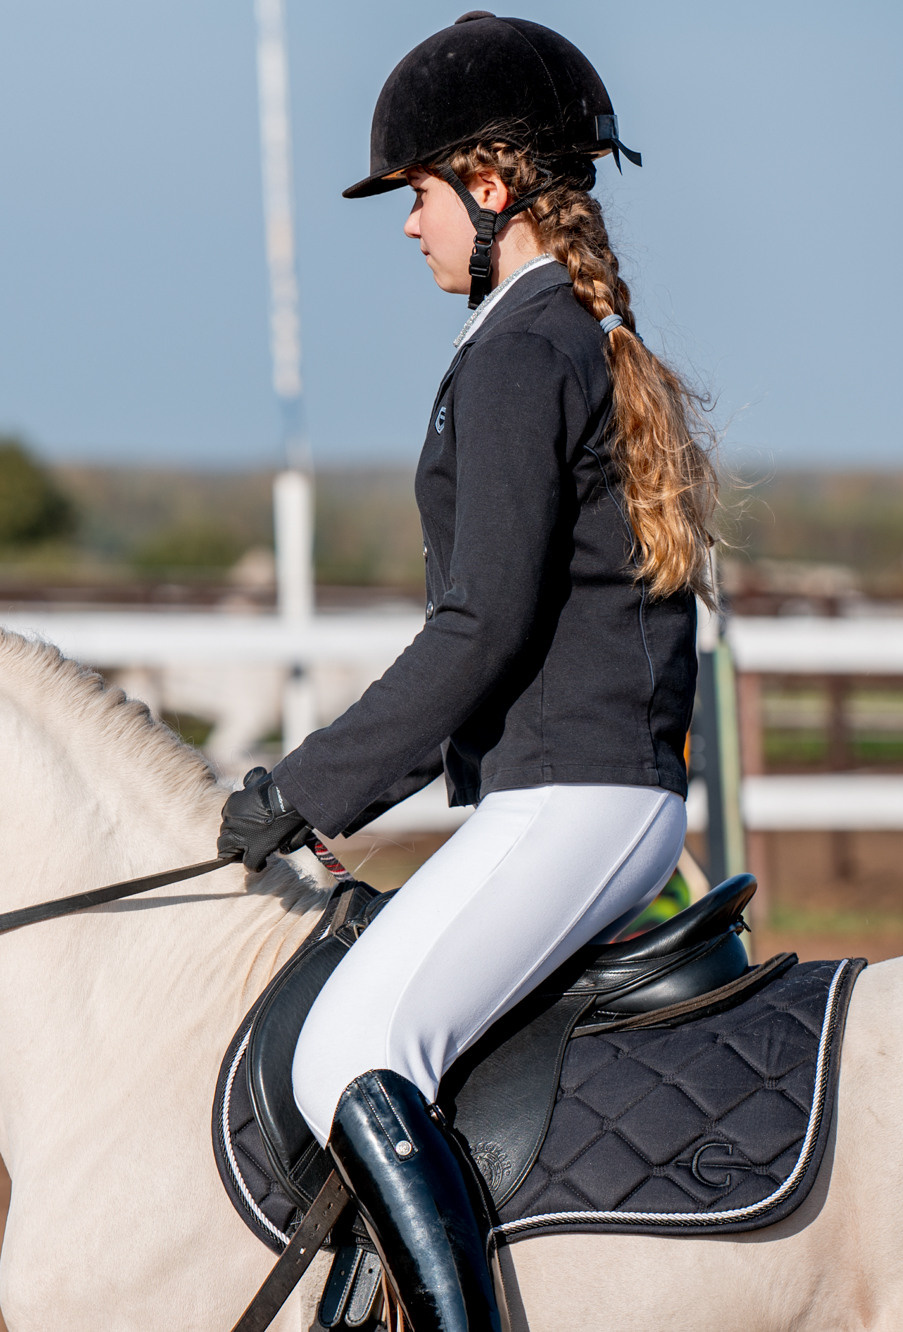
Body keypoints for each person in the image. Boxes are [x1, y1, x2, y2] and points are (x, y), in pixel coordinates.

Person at [215, 13, 717, 1332]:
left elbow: (478, 629)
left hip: (572, 798)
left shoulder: (514, 354)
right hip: (606, 792)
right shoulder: (587, 336)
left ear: (491, 185)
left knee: (349, 1050)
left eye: (420, 194)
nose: (408, 224)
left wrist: (306, 790)